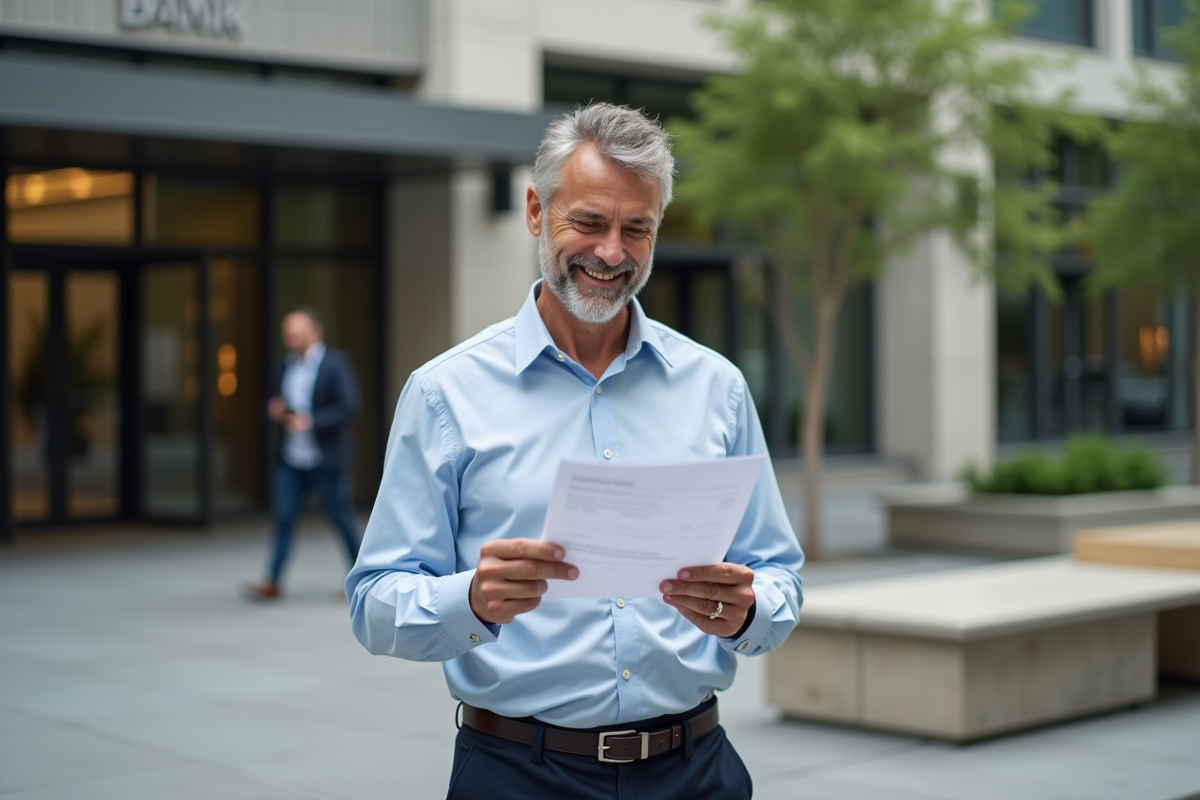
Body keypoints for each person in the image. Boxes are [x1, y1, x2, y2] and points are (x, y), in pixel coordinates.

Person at [347, 103, 803, 798]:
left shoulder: (719, 388)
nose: (612, 253)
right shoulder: (445, 394)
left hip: (697, 771)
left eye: (636, 229)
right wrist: (469, 599)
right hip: (517, 774)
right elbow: (374, 603)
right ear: (536, 210)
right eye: (588, 222)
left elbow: (779, 577)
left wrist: (746, 612)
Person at [245, 308, 363, 601]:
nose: (291, 341)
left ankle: (362, 581)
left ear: (315, 333)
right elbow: (278, 397)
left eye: (296, 335)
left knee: (341, 520)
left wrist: (311, 421)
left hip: (325, 458)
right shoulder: (284, 365)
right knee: (284, 517)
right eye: (287, 335)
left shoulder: (336, 364)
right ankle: (272, 580)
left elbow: (350, 406)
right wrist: (277, 408)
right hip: (290, 458)